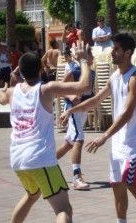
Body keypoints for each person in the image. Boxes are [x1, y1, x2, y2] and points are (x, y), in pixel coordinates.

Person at [60, 33, 136, 222]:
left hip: (132, 145)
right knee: (117, 188)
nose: (112, 52)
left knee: (134, 185)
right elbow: (96, 100)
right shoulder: (115, 76)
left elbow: (127, 113)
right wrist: (72, 110)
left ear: (127, 53)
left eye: (116, 49)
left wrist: (104, 136)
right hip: (117, 146)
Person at [0, 43, 91, 223]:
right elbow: (84, 86)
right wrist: (84, 60)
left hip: (18, 159)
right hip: (40, 158)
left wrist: (11, 79)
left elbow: (1, 97)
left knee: (31, 196)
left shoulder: (11, 92)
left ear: (21, 71)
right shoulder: (45, 90)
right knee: (63, 209)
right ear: (41, 68)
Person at [56, 47, 95, 190]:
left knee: (69, 144)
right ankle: (76, 177)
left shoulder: (92, 73)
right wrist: (72, 97)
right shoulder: (75, 72)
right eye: (90, 54)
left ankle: (45, 165)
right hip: (72, 110)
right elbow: (60, 88)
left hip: (82, 111)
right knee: (79, 139)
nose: (93, 57)